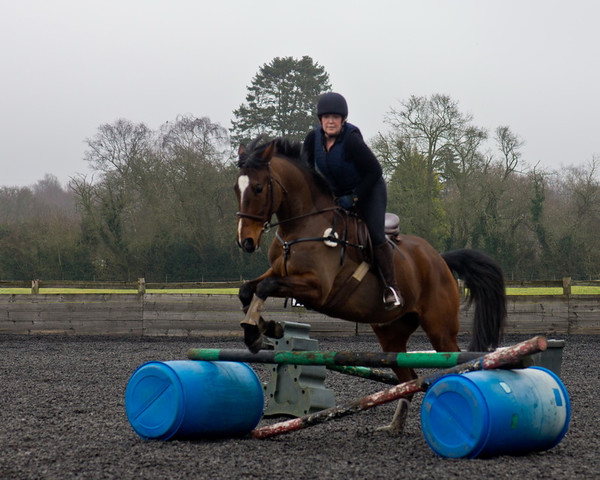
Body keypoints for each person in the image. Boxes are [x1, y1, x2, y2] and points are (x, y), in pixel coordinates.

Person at [302, 92, 403, 309]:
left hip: (369, 190)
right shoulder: (313, 140)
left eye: (336, 117)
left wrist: (355, 196)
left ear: (343, 120)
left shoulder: (351, 140)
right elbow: (307, 171)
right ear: (320, 119)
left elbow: (375, 171)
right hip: (338, 195)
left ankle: (391, 288)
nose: (331, 121)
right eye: (327, 117)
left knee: (375, 234)